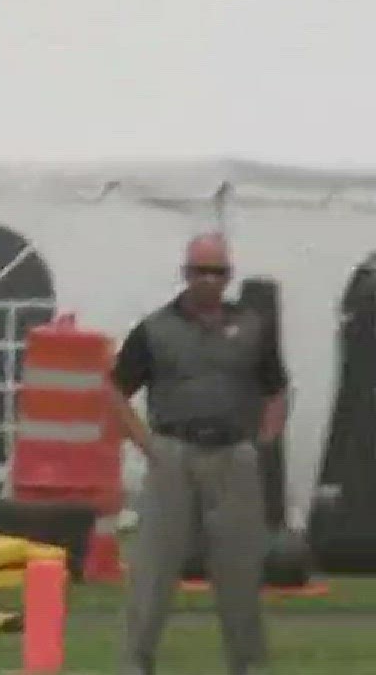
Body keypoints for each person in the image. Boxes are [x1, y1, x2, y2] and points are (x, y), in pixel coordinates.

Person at [111, 233, 284, 675]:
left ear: (229, 277)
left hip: (233, 454)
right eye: (201, 271)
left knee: (240, 568)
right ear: (186, 274)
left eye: (218, 272)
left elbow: (277, 388)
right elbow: (112, 391)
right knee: (154, 565)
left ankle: (245, 664)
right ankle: (136, 661)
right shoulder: (154, 329)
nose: (209, 280)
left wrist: (264, 440)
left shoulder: (252, 328)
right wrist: (147, 444)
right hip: (174, 452)